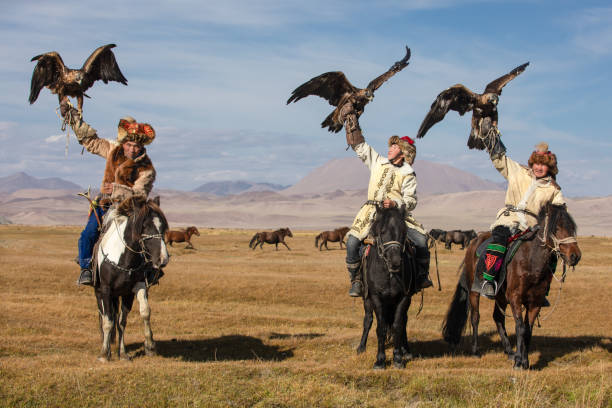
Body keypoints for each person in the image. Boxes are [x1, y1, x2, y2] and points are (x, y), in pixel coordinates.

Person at [341, 103, 433, 297]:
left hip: (396, 216)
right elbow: (361, 147)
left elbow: (411, 201)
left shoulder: (408, 173)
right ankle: (356, 280)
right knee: (351, 244)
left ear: (403, 152)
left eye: (394, 146)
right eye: (391, 145)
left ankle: (421, 276)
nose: (390, 148)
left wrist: (395, 204)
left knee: (422, 241)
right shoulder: (378, 161)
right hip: (371, 212)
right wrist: (352, 123)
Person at [60, 102, 156, 286]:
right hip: (106, 204)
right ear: (124, 143)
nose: (132, 149)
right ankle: (86, 269)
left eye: (136, 146)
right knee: (87, 234)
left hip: (131, 209)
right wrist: (73, 118)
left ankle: (151, 269)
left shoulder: (147, 169)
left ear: (142, 146)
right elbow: (92, 142)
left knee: (153, 234)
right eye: (129, 144)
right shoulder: (113, 150)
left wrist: (117, 190)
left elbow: (140, 195)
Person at [480, 135, 565, 298]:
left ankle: (542, 290)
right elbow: (499, 159)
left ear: (550, 167)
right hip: (509, 219)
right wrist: (491, 137)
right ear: (532, 163)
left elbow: (559, 211)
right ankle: (488, 281)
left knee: (550, 254)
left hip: (532, 227)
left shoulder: (553, 189)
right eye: (537, 163)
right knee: (499, 240)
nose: (539, 167)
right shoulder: (517, 171)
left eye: (544, 165)